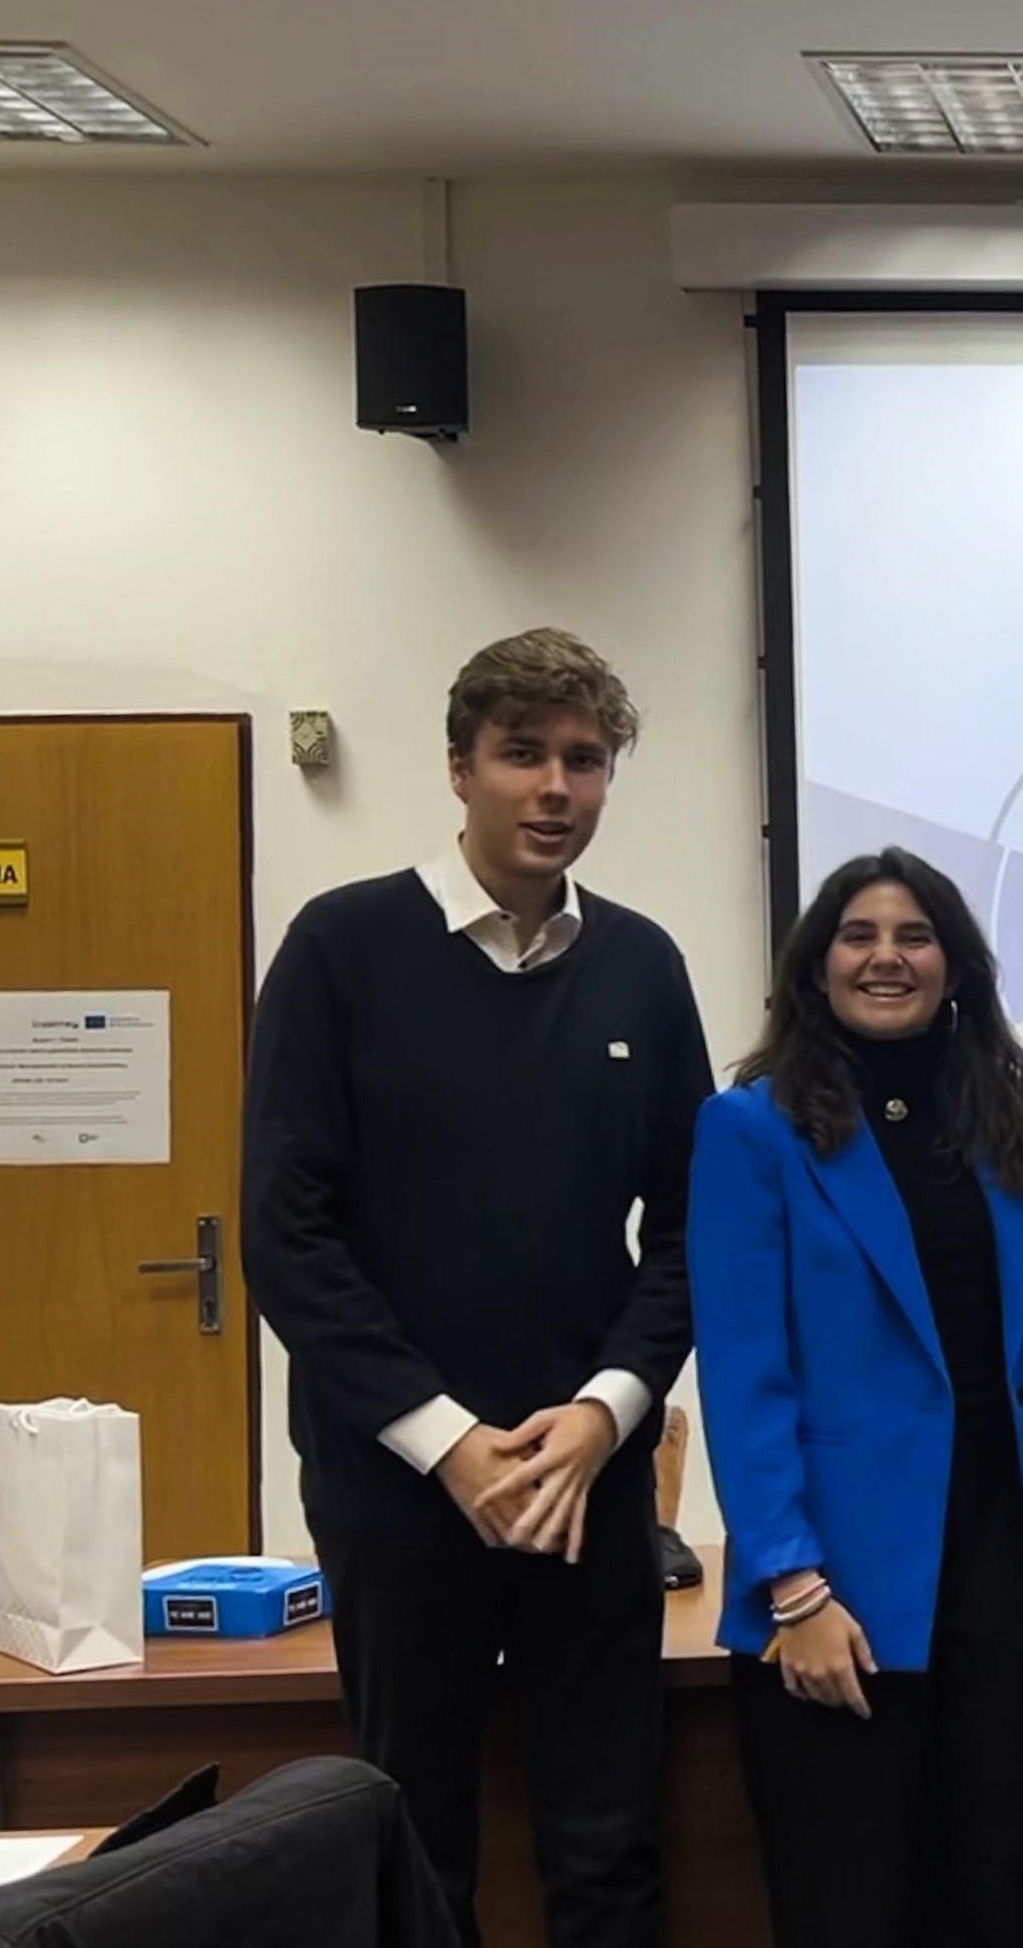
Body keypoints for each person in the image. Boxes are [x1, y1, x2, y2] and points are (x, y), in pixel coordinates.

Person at [243, 629, 709, 1948]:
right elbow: (288, 1232)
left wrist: (608, 1414)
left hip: (586, 1485)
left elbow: (689, 1229)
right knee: (412, 1845)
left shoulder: (642, 966)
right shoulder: (343, 949)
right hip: (395, 1484)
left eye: (586, 759)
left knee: (609, 1849)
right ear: (461, 769)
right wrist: (448, 1443)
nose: (556, 786)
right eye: (525, 754)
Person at [687, 848, 1023, 1948]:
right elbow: (743, 1373)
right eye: (859, 935)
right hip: (842, 1587)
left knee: (1001, 1894)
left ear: (954, 965)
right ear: (817, 967)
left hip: (1003, 1563)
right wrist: (794, 1589)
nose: (887, 957)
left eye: (914, 936)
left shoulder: (1007, 1108)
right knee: (851, 1904)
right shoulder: (752, 1128)